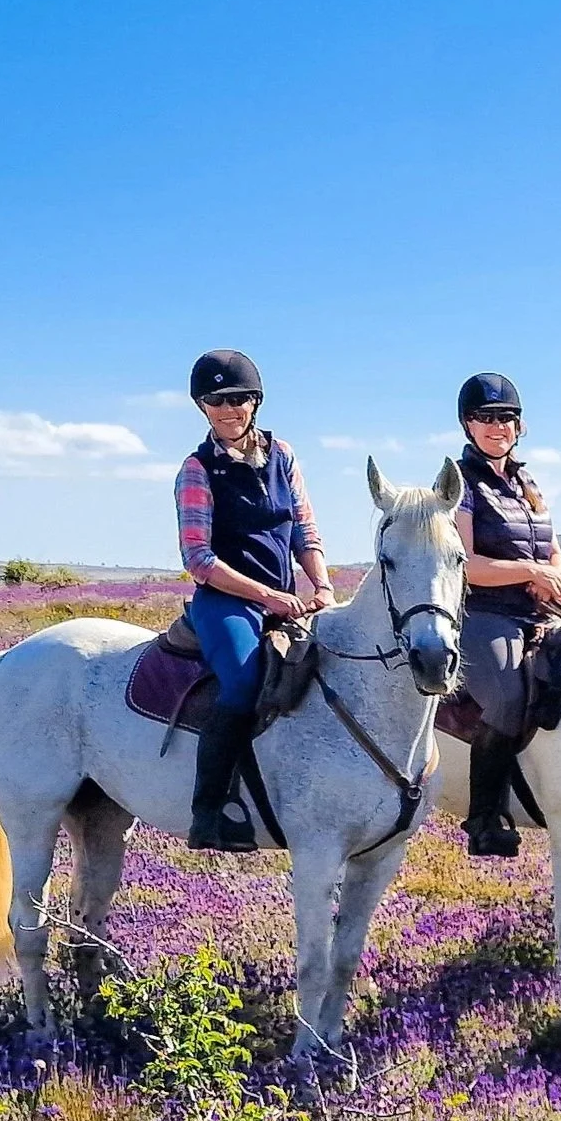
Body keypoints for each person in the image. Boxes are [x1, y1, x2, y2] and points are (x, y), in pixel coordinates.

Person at [175, 349, 334, 851]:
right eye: (216, 400)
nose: (228, 409)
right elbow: (198, 558)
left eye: (238, 399)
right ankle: (210, 811)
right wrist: (268, 596)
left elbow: (304, 530)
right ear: (203, 407)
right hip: (226, 603)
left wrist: (322, 587)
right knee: (243, 684)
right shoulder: (197, 469)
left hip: (286, 597)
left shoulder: (283, 456)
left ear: (255, 402)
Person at [451, 372, 561, 856]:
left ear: (519, 426)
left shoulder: (527, 482)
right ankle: (483, 818)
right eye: (485, 418)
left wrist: (554, 577)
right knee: (506, 697)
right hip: (484, 614)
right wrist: (528, 569)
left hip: (537, 612)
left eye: (506, 417)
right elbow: (466, 564)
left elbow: (555, 550)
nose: (496, 426)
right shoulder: (460, 482)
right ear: (468, 425)